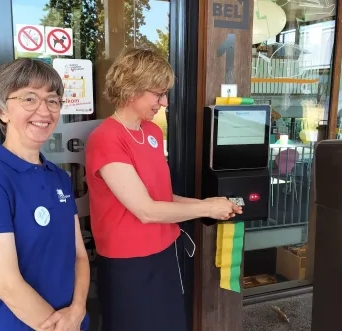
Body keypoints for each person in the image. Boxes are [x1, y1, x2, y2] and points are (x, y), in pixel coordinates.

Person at [85, 48, 242, 331]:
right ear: (132, 90)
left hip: (164, 251)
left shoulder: (153, 132)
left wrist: (209, 202)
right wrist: (206, 208)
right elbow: (145, 210)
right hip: (128, 263)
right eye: (158, 94)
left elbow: (161, 196)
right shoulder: (106, 139)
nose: (165, 102)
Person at [0, 58, 90, 331]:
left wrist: (77, 311)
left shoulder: (59, 177)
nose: (44, 110)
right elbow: (7, 284)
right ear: (1, 110)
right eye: (29, 99)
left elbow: (79, 256)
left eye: (53, 100)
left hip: (71, 322)